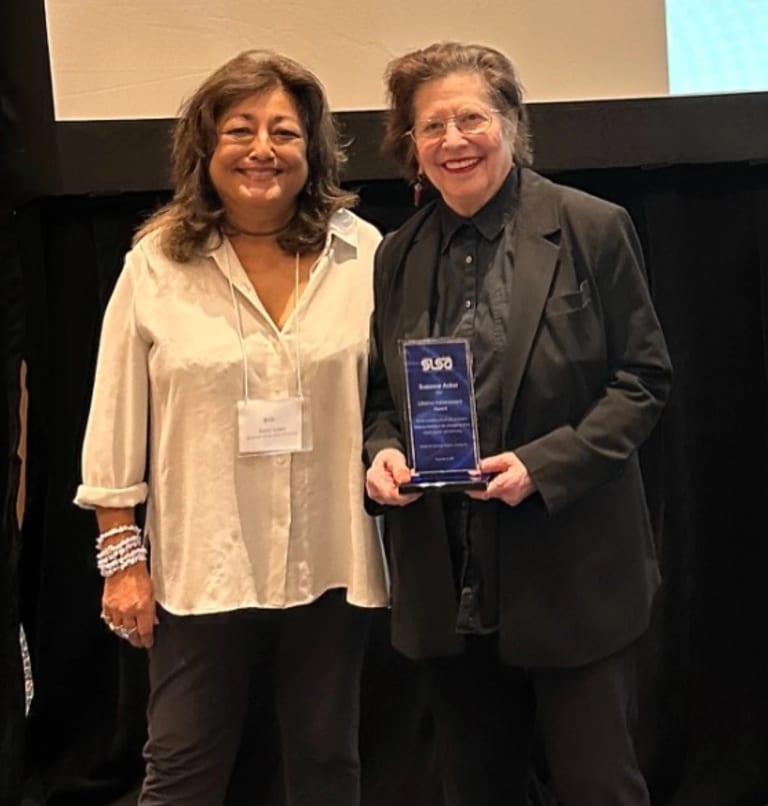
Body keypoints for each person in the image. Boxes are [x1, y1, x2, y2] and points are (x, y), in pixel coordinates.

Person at [74, 49, 388, 806]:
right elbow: (116, 415)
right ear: (205, 148)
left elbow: (388, 396)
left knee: (326, 764)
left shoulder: (365, 253)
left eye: (284, 131)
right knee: (182, 768)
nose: (262, 150)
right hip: (202, 562)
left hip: (331, 556)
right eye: (240, 130)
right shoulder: (155, 263)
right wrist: (122, 558)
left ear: (311, 149)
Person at [364, 41, 672, 806]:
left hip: (572, 568)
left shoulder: (591, 226)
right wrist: (381, 455)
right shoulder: (397, 255)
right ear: (412, 146)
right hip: (449, 575)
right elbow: (380, 399)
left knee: (599, 785)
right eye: (430, 126)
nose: (452, 140)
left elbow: (643, 380)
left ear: (510, 123)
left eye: (472, 117)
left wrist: (544, 464)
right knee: (477, 786)